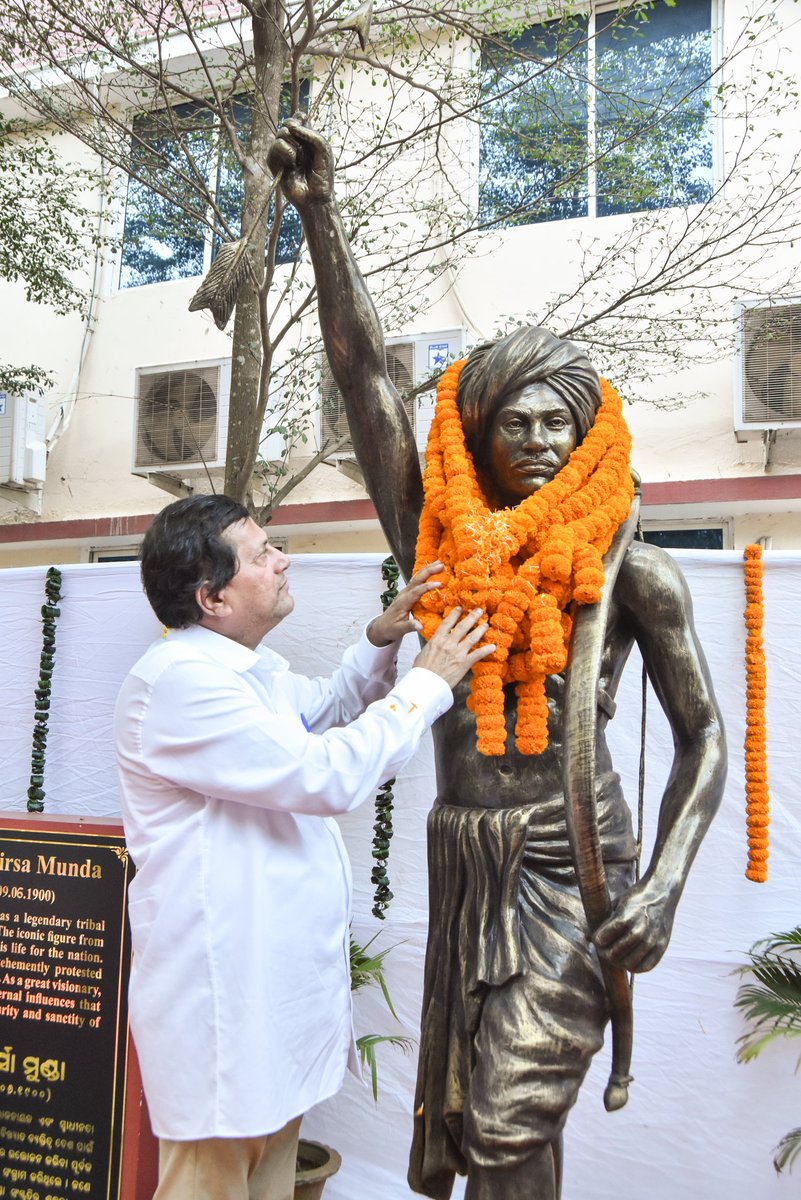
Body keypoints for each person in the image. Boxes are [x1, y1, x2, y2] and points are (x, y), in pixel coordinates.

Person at [268, 121, 728, 1200]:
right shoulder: (436, 546)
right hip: (465, 853)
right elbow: (361, 382)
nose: (533, 436)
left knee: (512, 1115)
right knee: (484, 1116)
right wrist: (321, 219)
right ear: (475, 442)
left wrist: (662, 886)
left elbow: (704, 736)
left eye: (554, 422)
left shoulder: (635, 576)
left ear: (585, 440)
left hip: (576, 860)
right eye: (510, 422)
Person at [113, 493, 494, 1200]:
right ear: (213, 598)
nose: (282, 560)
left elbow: (320, 705)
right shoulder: (180, 685)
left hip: (267, 1009)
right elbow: (326, 774)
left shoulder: (241, 671)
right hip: (225, 1012)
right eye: (262, 554)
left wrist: (381, 640)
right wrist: (426, 684)